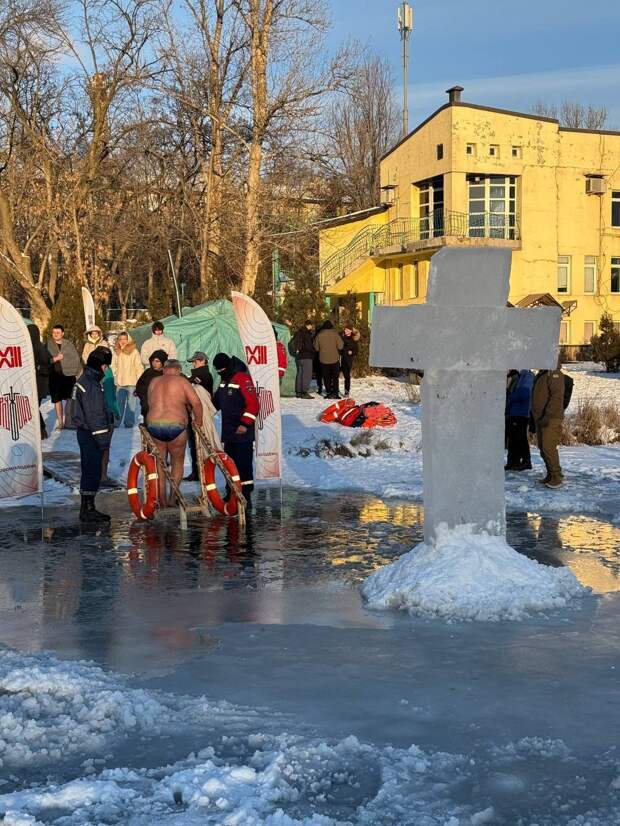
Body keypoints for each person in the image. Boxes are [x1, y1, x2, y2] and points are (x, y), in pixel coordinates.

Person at [146, 359, 203, 507]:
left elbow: (150, 403)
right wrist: (199, 421)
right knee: (177, 461)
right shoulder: (182, 381)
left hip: (154, 424)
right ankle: (173, 498)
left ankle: (162, 499)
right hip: (175, 424)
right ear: (178, 370)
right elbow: (196, 403)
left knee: (160, 462)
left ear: (164, 369)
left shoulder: (154, 382)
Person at [212, 352, 260, 511]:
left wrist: (245, 424)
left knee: (243, 464)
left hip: (242, 432)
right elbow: (217, 401)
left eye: (221, 370)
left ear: (228, 366)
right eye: (217, 371)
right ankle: (231, 491)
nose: (219, 373)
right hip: (229, 431)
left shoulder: (242, 378)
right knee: (229, 464)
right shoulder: (224, 379)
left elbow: (253, 404)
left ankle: (246, 495)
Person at [73, 352, 113, 523]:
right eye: (105, 365)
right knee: (92, 470)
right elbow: (95, 414)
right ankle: (88, 509)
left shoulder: (84, 380)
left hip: (84, 431)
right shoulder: (91, 385)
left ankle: (87, 507)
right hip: (91, 433)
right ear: (99, 365)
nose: (106, 369)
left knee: (88, 469)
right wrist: (103, 440)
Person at [531, 362, 566, 488]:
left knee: (548, 447)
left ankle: (556, 477)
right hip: (541, 418)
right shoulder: (542, 373)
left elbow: (557, 397)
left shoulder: (554, 373)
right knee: (542, 447)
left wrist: (548, 415)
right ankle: (551, 474)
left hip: (551, 418)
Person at [92, 346, 120, 488]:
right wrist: (115, 410)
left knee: (95, 447)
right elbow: (110, 396)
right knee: (104, 447)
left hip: (92, 415)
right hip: (103, 415)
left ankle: (96, 475)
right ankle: (102, 476)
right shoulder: (107, 372)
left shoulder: (87, 372)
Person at [184, 352, 214, 481]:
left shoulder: (205, 375)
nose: (193, 364)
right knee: (193, 444)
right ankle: (196, 471)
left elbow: (193, 383)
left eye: (195, 361)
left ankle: (203, 471)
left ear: (202, 361)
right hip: (192, 412)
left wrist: (185, 379)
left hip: (201, 413)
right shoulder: (199, 374)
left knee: (201, 443)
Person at [47, 325, 81, 430]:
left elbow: (76, 358)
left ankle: (69, 422)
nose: (55, 334)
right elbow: (44, 361)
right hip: (55, 376)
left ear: (62, 333)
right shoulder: (48, 345)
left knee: (70, 399)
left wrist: (79, 373)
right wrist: (55, 358)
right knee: (57, 400)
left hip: (69, 375)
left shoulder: (69, 344)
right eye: (54, 332)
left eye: (58, 332)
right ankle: (61, 423)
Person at [111, 332, 143, 427]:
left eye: (124, 339)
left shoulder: (134, 351)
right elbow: (113, 365)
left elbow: (139, 367)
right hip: (120, 382)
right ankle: (116, 422)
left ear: (128, 340)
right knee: (118, 404)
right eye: (120, 339)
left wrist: (139, 380)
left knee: (131, 404)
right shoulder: (116, 351)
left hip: (132, 382)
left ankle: (129, 422)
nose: (122, 341)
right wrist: (115, 374)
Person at [505, 369, 534, 471]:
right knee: (513, 439)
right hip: (514, 413)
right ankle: (513, 462)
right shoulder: (519, 376)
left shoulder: (527, 376)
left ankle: (526, 462)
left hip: (521, 414)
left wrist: (510, 395)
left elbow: (524, 394)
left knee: (521, 439)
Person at [27, 323, 53, 439]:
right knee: (32, 407)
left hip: (39, 384)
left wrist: (38, 368)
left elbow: (48, 366)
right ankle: (38, 430)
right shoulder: (28, 346)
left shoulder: (40, 348)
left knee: (33, 407)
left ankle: (41, 430)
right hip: (31, 383)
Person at [314, 320, 343, 399]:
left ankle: (328, 391)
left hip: (323, 359)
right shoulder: (336, 335)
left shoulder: (319, 335)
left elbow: (316, 348)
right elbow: (341, 346)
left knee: (326, 377)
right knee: (335, 377)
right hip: (335, 359)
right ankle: (335, 393)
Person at [135, 349, 167, 420]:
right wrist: (145, 399)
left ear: (163, 362)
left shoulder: (167, 374)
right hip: (147, 409)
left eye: (157, 361)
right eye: (153, 361)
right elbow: (139, 386)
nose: (154, 363)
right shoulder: (147, 372)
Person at [289, 320, 315, 399]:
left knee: (300, 374)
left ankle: (298, 392)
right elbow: (308, 346)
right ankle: (304, 392)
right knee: (307, 375)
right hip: (306, 356)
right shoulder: (306, 333)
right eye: (311, 326)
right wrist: (313, 351)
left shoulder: (298, 332)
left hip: (299, 357)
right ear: (309, 325)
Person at [339, 326, 359, 398]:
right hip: (340, 359)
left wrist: (352, 352)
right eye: (345, 329)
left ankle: (346, 392)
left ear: (350, 331)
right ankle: (333, 390)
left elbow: (356, 351)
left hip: (348, 360)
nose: (346, 331)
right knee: (335, 375)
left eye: (347, 330)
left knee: (347, 377)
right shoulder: (341, 337)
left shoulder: (353, 339)